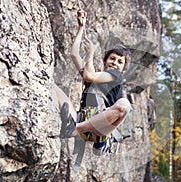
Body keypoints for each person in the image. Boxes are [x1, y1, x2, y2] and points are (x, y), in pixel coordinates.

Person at [54, 9, 131, 154]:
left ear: (122, 69)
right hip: (82, 119)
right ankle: (74, 127)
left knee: (124, 104)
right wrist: (81, 28)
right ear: (105, 61)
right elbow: (74, 54)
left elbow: (89, 75)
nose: (115, 63)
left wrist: (90, 54)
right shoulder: (97, 75)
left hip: (100, 127)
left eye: (119, 61)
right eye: (112, 58)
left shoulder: (116, 76)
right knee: (51, 87)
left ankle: (81, 132)